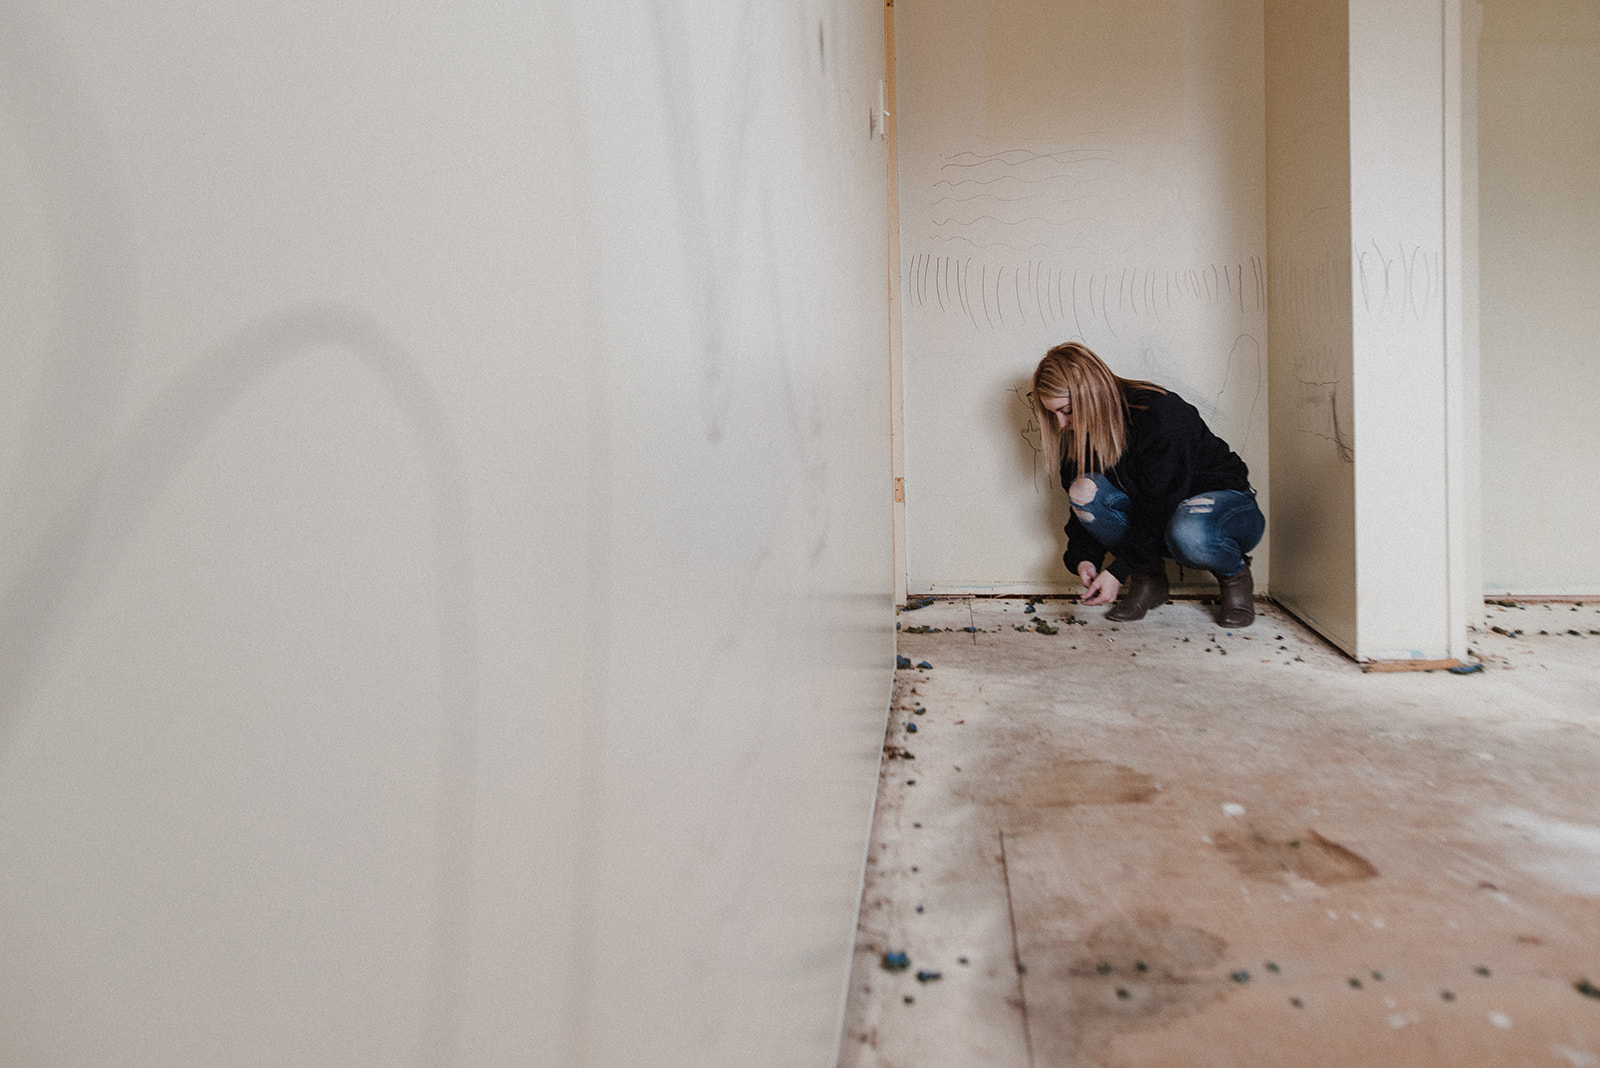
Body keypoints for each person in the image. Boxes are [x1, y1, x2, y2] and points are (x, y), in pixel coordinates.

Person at [1031, 342, 1264, 627]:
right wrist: (1085, 559)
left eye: (1066, 410)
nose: (1061, 424)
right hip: (1164, 518)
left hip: (1229, 511)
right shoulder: (1081, 436)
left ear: (1090, 395)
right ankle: (1149, 578)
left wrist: (1118, 571)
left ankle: (1235, 576)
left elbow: (1161, 505)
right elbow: (1085, 511)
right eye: (1054, 414)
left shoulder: (1161, 413)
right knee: (1083, 489)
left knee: (1188, 528)